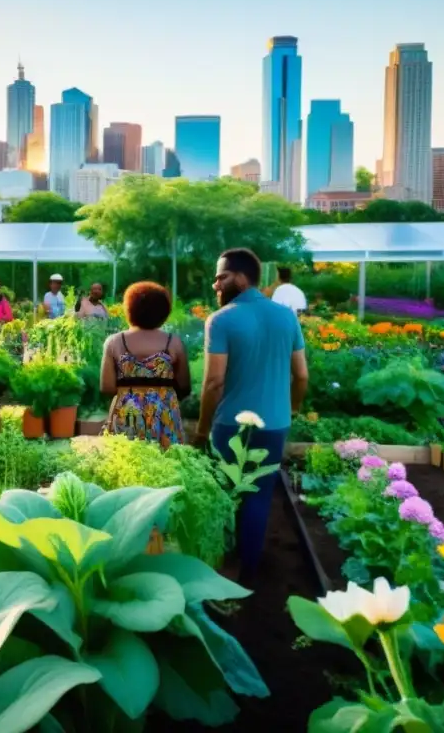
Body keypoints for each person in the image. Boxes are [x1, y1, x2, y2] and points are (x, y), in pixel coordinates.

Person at [194, 248, 308, 584]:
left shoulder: (222, 319)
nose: (215, 284)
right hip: (274, 424)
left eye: (221, 276)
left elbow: (214, 382)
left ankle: (221, 569)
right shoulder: (286, 317)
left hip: (230, 425)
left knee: (227, 493)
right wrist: (292, 408)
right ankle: (250, 572)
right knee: (259, 495)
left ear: (241, 277)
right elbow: (301, 376)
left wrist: (201, 431)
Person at [101, 282, 188, 448]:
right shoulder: (174, 343)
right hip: (164, 416)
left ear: (130, 309)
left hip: (128, 414)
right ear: (164, 311)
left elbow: (107, 387)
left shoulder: (114, 342)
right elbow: (184, 386)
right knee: (167, 465)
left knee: (129, 465)